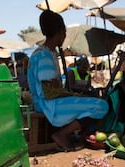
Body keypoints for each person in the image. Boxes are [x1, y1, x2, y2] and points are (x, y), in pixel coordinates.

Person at [27, 10, 109, 151]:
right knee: (101, 106)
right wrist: (73, 95)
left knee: (90, 101)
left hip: (46, 102)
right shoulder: (45, 55)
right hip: (48, 105)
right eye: (64, 33)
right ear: (61, 32)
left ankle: (78, 136)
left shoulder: (45, 53)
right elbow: (49, 91)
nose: (64, 36)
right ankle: (61, 134)